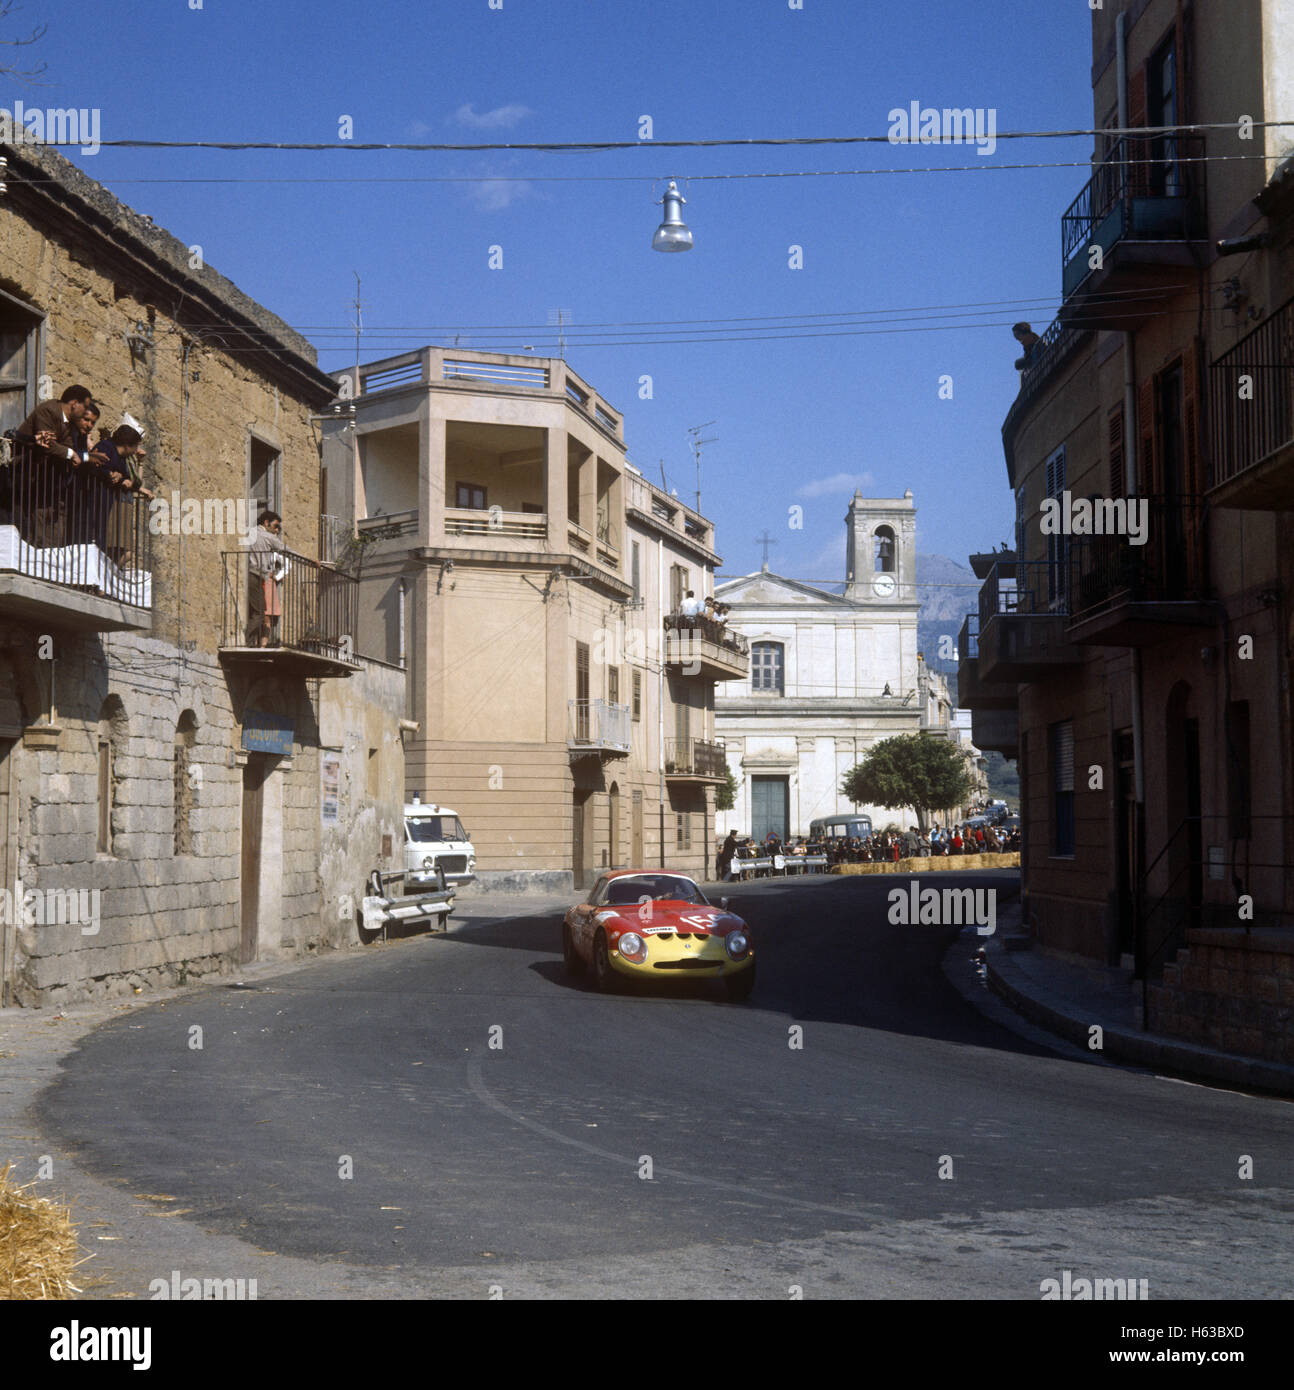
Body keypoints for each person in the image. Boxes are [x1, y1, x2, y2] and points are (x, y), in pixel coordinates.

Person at [246, 509, 287, 646]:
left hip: (254, 575)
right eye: (275, 526)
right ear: (266, 522)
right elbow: (287, 550)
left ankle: (252, 641)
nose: (277, 530)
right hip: (256, 575)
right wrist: (311, 561)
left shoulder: (250, 532)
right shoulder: (267, 536)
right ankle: (247, 640)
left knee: (259, 611)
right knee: (260, 613)